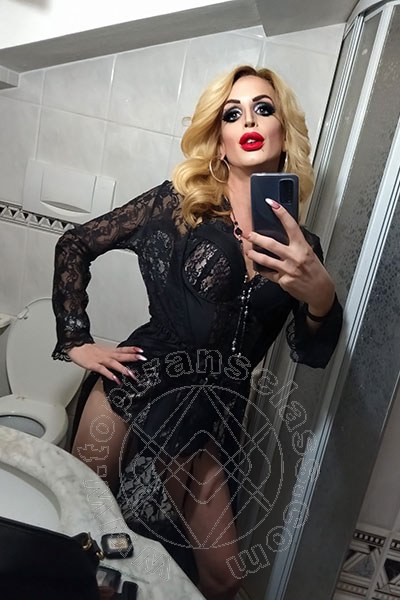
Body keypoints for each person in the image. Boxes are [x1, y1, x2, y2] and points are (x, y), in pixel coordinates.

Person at [52, 64, 342, 600]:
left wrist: (321, 295)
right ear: (220, 139)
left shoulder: (303, 246)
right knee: (95, 552)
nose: (248, 121)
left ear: (284, 132)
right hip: (134, 395)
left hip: (217, 414)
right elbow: (75, 244)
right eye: (232, 114)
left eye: (263, 109)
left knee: (223, 578)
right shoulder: (178, 205)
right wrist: (76, 340)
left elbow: (310, 351)